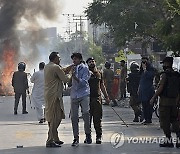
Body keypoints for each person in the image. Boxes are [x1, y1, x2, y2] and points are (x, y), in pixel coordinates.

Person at [150, 57, 180, 148]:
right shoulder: (177, 75)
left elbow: (161, 87)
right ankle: (178, 140)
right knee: (175, 120)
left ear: (167, 64)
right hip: (175, 102)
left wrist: (153, 98)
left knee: (164, 122)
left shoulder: (164, 75)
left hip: (165, 102)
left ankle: (168, 141)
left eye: (164, 63)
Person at [44, 52, 71, 148]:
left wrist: (68, 68)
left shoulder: (48, 66)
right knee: (57, 117)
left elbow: (61, 71)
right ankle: (50, 140)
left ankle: (55, 138)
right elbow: (65, 79)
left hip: (49, 94)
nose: (60, 59)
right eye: (59, 58)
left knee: (51, 117)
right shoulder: (56, 67)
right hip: (55, 95)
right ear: (55, 59)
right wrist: (71, 73)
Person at [86, 57, 110, 144]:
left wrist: (106, 97)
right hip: (87, 99)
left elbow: (102, 85)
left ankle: (98, 136)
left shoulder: (99, 73)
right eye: (89, 62)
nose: (91, 63)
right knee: (87, 120)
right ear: (87, 64)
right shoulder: (85, 73)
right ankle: (88, 137)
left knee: (97, 119)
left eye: (92, 61)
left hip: (97, 98)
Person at [70, 53, 91, 147]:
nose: (74, 61)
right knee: (74, 117)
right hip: (74, 95)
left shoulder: (85, 68)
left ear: (79, 59)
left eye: (75, 59)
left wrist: (75, 77)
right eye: (73, 59)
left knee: (86, 113)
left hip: (83, 94)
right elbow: (69, 82)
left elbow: (84, 82)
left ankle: (88, 134)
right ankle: (76, 138)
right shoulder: (72, 68)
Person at [138, 57, 155, 125]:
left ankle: (149, 119)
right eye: (142, 62)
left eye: (145, 62)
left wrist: (145, 69)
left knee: (149, 105)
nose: (143, 64)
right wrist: (139, 88)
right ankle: (145, 118)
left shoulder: (151, 70)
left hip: (149, 90)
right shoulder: (141, 71)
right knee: (144, 105)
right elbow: (141, 80)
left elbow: (150, 77)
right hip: (143, 90)